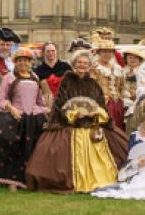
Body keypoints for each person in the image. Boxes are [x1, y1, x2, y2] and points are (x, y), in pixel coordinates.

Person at [25, 50, 128, 193]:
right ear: (74, 64)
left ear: (89, 65)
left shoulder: (93, 83)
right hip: (70, 126)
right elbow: (60, 104)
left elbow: (100, 105)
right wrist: (73, 114)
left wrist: (96, 113)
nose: (82, 65)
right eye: (79, 62)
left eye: (85, 63)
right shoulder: (67, 81)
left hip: (92, 126)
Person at [0, 47, 50, 189]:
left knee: (34, 150)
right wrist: (12, 109)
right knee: (14, 150)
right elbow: (2, 100)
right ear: (15, 62)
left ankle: (30, 180)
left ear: (30, 62)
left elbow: (39, 101)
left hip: (33, 119)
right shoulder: (9, 78)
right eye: (20, 60)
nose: (23, 63)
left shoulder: (35, 77)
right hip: (16, 118)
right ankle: (12, 181)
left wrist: (46, 110)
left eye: (26, 60)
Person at [91, 38, 126, 129]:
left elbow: (122, 86)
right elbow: (91, 87)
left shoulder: (117, 68)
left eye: (110, 52)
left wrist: (122, 98)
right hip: (102, 104)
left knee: (118, 128)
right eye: (104, 52)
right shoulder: (94, 68)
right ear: (99, 53)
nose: (107, 54)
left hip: (117, 104)